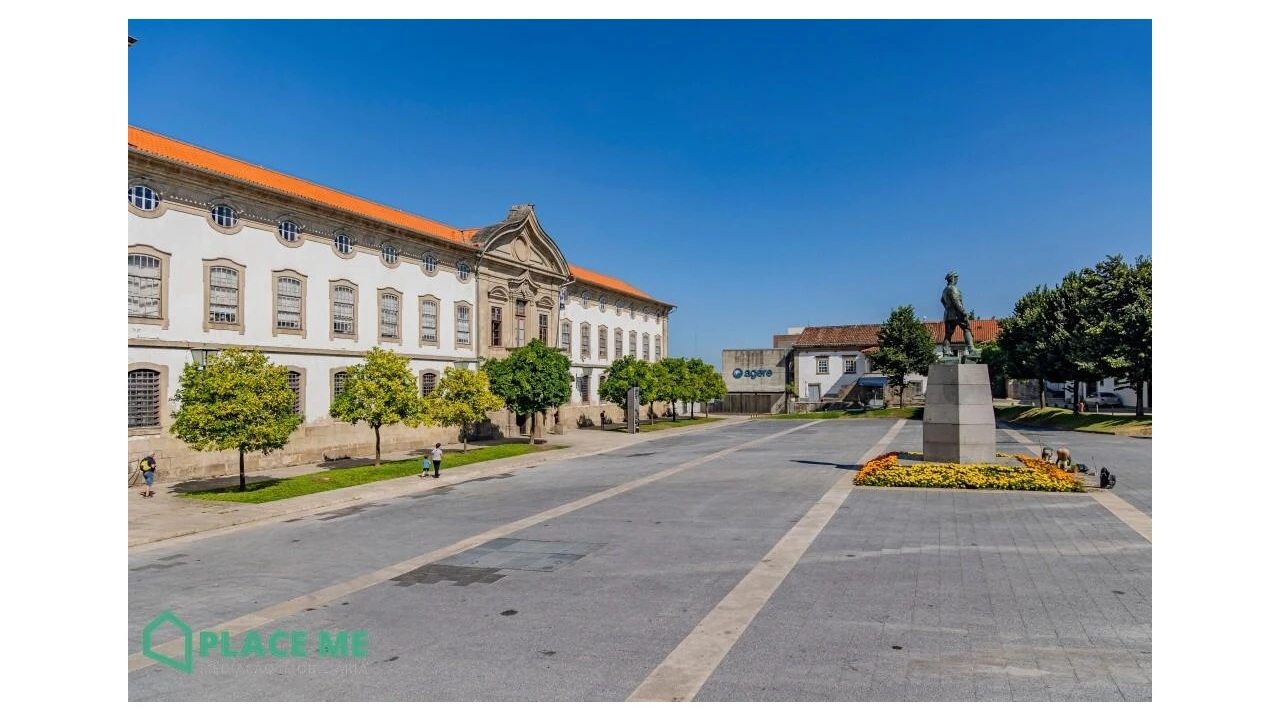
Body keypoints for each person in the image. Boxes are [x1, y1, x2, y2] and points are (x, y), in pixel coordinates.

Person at [940, 271, 974, 356]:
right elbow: (956, 301)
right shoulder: (953, 288)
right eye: (956, 278)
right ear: (952, 278)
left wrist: (947, 308)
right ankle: (971, 349)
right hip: (957, 313)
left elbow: (942, 301)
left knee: (948, 334)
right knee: (966, 329)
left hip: (948, 314)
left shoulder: (945, 290)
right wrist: (963, 312)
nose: (957, 280)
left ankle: (946, 352)